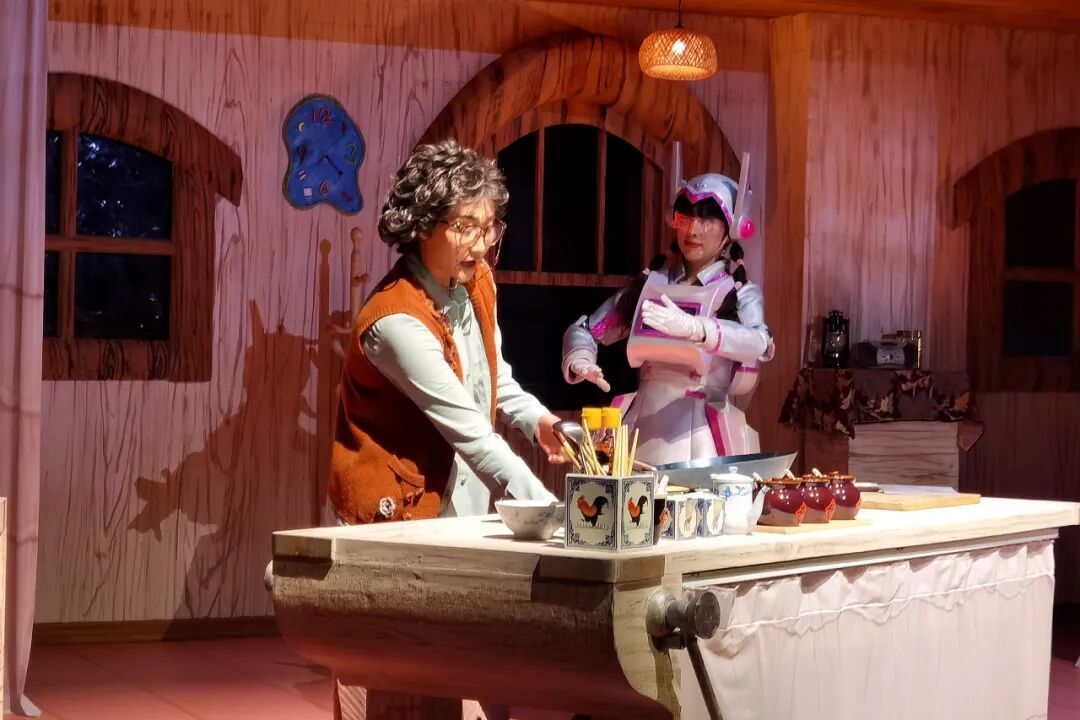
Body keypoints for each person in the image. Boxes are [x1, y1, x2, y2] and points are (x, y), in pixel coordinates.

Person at [329, 139, 563, 526]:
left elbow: (491, 375)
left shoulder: (476, 281)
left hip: (458, 508)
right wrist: (554, 515)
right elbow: (471, 433)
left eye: (489, 228)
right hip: (393, 521)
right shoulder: (396, 321)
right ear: (423, 225)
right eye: (465, 228)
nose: (481, 245)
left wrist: (538, 420)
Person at [561, 166, 774, 467]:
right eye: (685, 218)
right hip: (639, 430)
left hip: (702, 436)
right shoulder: (651, 285)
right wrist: (581, 357)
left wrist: (700, 329)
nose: (693, 230)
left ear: (732, 229)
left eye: (708, 220)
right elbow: (587, 329)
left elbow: (759, 342)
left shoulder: (738, 293)